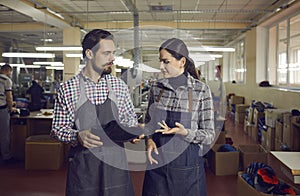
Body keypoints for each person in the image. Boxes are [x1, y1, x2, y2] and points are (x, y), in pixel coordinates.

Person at [51, 29, 144, 196]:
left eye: (113, 53)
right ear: (89, 53)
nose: (112, 58)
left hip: (116, 168)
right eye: (107, 53)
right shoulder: (68, 88)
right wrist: (77, 136)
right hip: (84, 169)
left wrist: (134, 131)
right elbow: (57, 129)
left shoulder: (119, 86)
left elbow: (129, 120)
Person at [142, 38, 215, 196]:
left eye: (166, 62)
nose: (161, 67)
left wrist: (185, 132)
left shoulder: (200, 90)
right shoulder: (157, 88)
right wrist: (149, 140)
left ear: (182, 61)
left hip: (187, 169)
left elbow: (209, 135)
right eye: (160, 61)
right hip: (157, 166)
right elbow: (148, 123)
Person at [0, 63, 17, 164]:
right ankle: (6, 156)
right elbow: (9, 97)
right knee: (4, 134)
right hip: (2, 109)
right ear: (7, 70)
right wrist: (11, 108)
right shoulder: (6, 80)